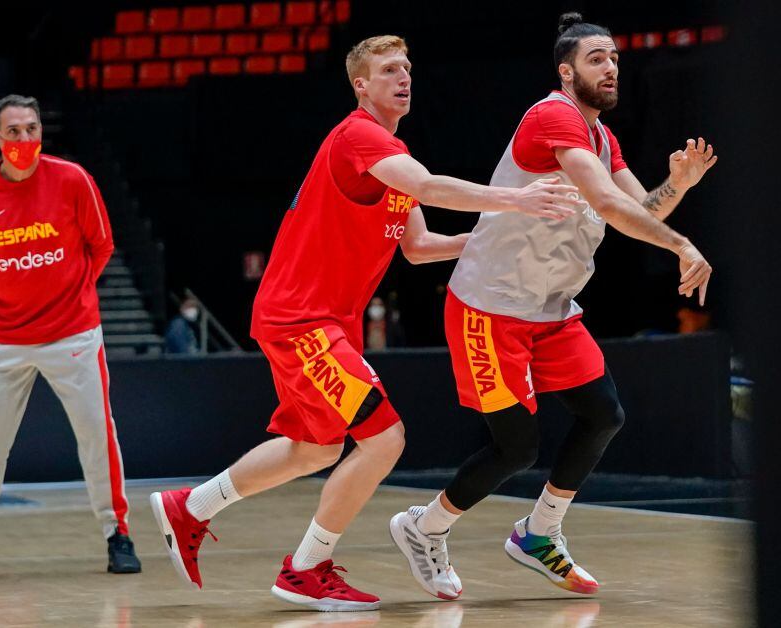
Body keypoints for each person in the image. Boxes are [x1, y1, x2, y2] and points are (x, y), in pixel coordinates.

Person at [149, 35, 584, 611]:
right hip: (302, 317)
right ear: (360, 84)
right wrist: (517, 200)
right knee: (384, 437)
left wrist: (492, 244)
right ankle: (306, 567)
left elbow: (420, 246)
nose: (403, 77)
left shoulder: (390, 153)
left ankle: (191, 508)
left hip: (321, 322)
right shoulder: (359, 137)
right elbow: (429, 186)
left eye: (407, 67)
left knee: (313, 449)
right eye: (388, 70)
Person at [389, 12, 717, 600]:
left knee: (604, 414)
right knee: (517, 447)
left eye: (615, 57)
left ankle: (539, 533)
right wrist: (682, 245)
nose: (612, 67)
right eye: (597, 59)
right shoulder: (553, 117)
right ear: (566, 72)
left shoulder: (600, 135)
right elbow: (608, 204)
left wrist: (680, 186)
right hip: (489, 304)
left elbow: (641, 207)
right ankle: (423, 526)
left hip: (550, 307)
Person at [0, 95, 140, 579]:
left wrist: (69, 295)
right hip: (4, 337)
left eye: (31, 129)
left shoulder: (72, 179)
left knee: (96, 436)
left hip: (73, 331)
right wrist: (17, 297)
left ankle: (118, 535)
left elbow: (102, 244)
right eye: (14, 131)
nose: (24, 139)